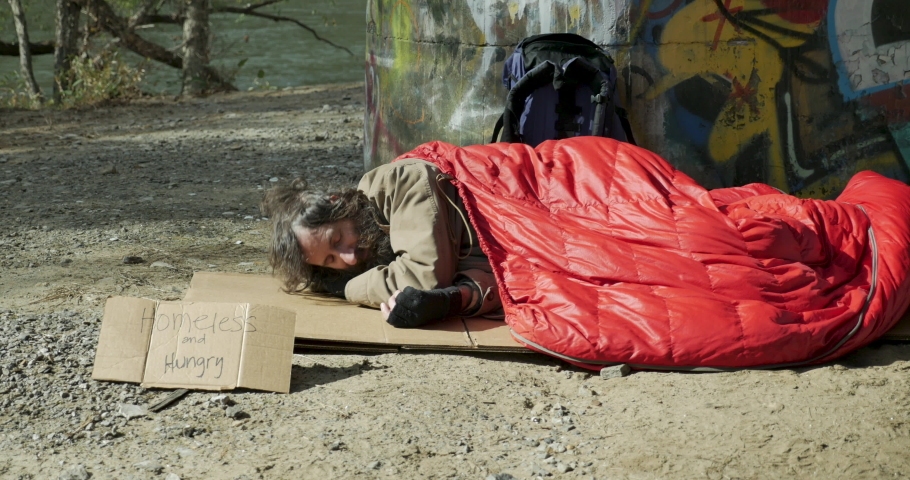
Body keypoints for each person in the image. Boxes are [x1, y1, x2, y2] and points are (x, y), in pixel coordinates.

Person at [261, 158, 502, 328]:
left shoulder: (401, 182)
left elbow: (423, 281)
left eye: (337, 239)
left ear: (337, 203)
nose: (349, 258)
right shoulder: (373, 248)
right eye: (330, 260)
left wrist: (347, 288)